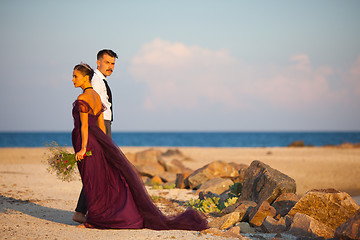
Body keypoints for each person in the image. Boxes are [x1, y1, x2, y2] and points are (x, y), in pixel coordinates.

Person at [71, 63, 208, 230]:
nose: (73, 79)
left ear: (86, 78)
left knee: (91, 181)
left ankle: (93, 220)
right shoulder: (97, 98)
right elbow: (100, 126)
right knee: (98, 181)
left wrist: (83, 149)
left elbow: (84, 126)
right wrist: (106, 146)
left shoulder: (82, 98)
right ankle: (94, 217)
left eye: (75, 76)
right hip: (98, 143)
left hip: (87, 144)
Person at [72, 49, 117, 223]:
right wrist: (102, 137)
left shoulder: (100, 81)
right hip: (100, 127)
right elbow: (95, 111)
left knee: (99, 171)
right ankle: (87, 211)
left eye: (113, 64)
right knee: (99, 171)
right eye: (107, 63)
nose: (110, 67)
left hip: (102, 126)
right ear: (98, 62)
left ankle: (83, 211)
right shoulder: (96, 82)